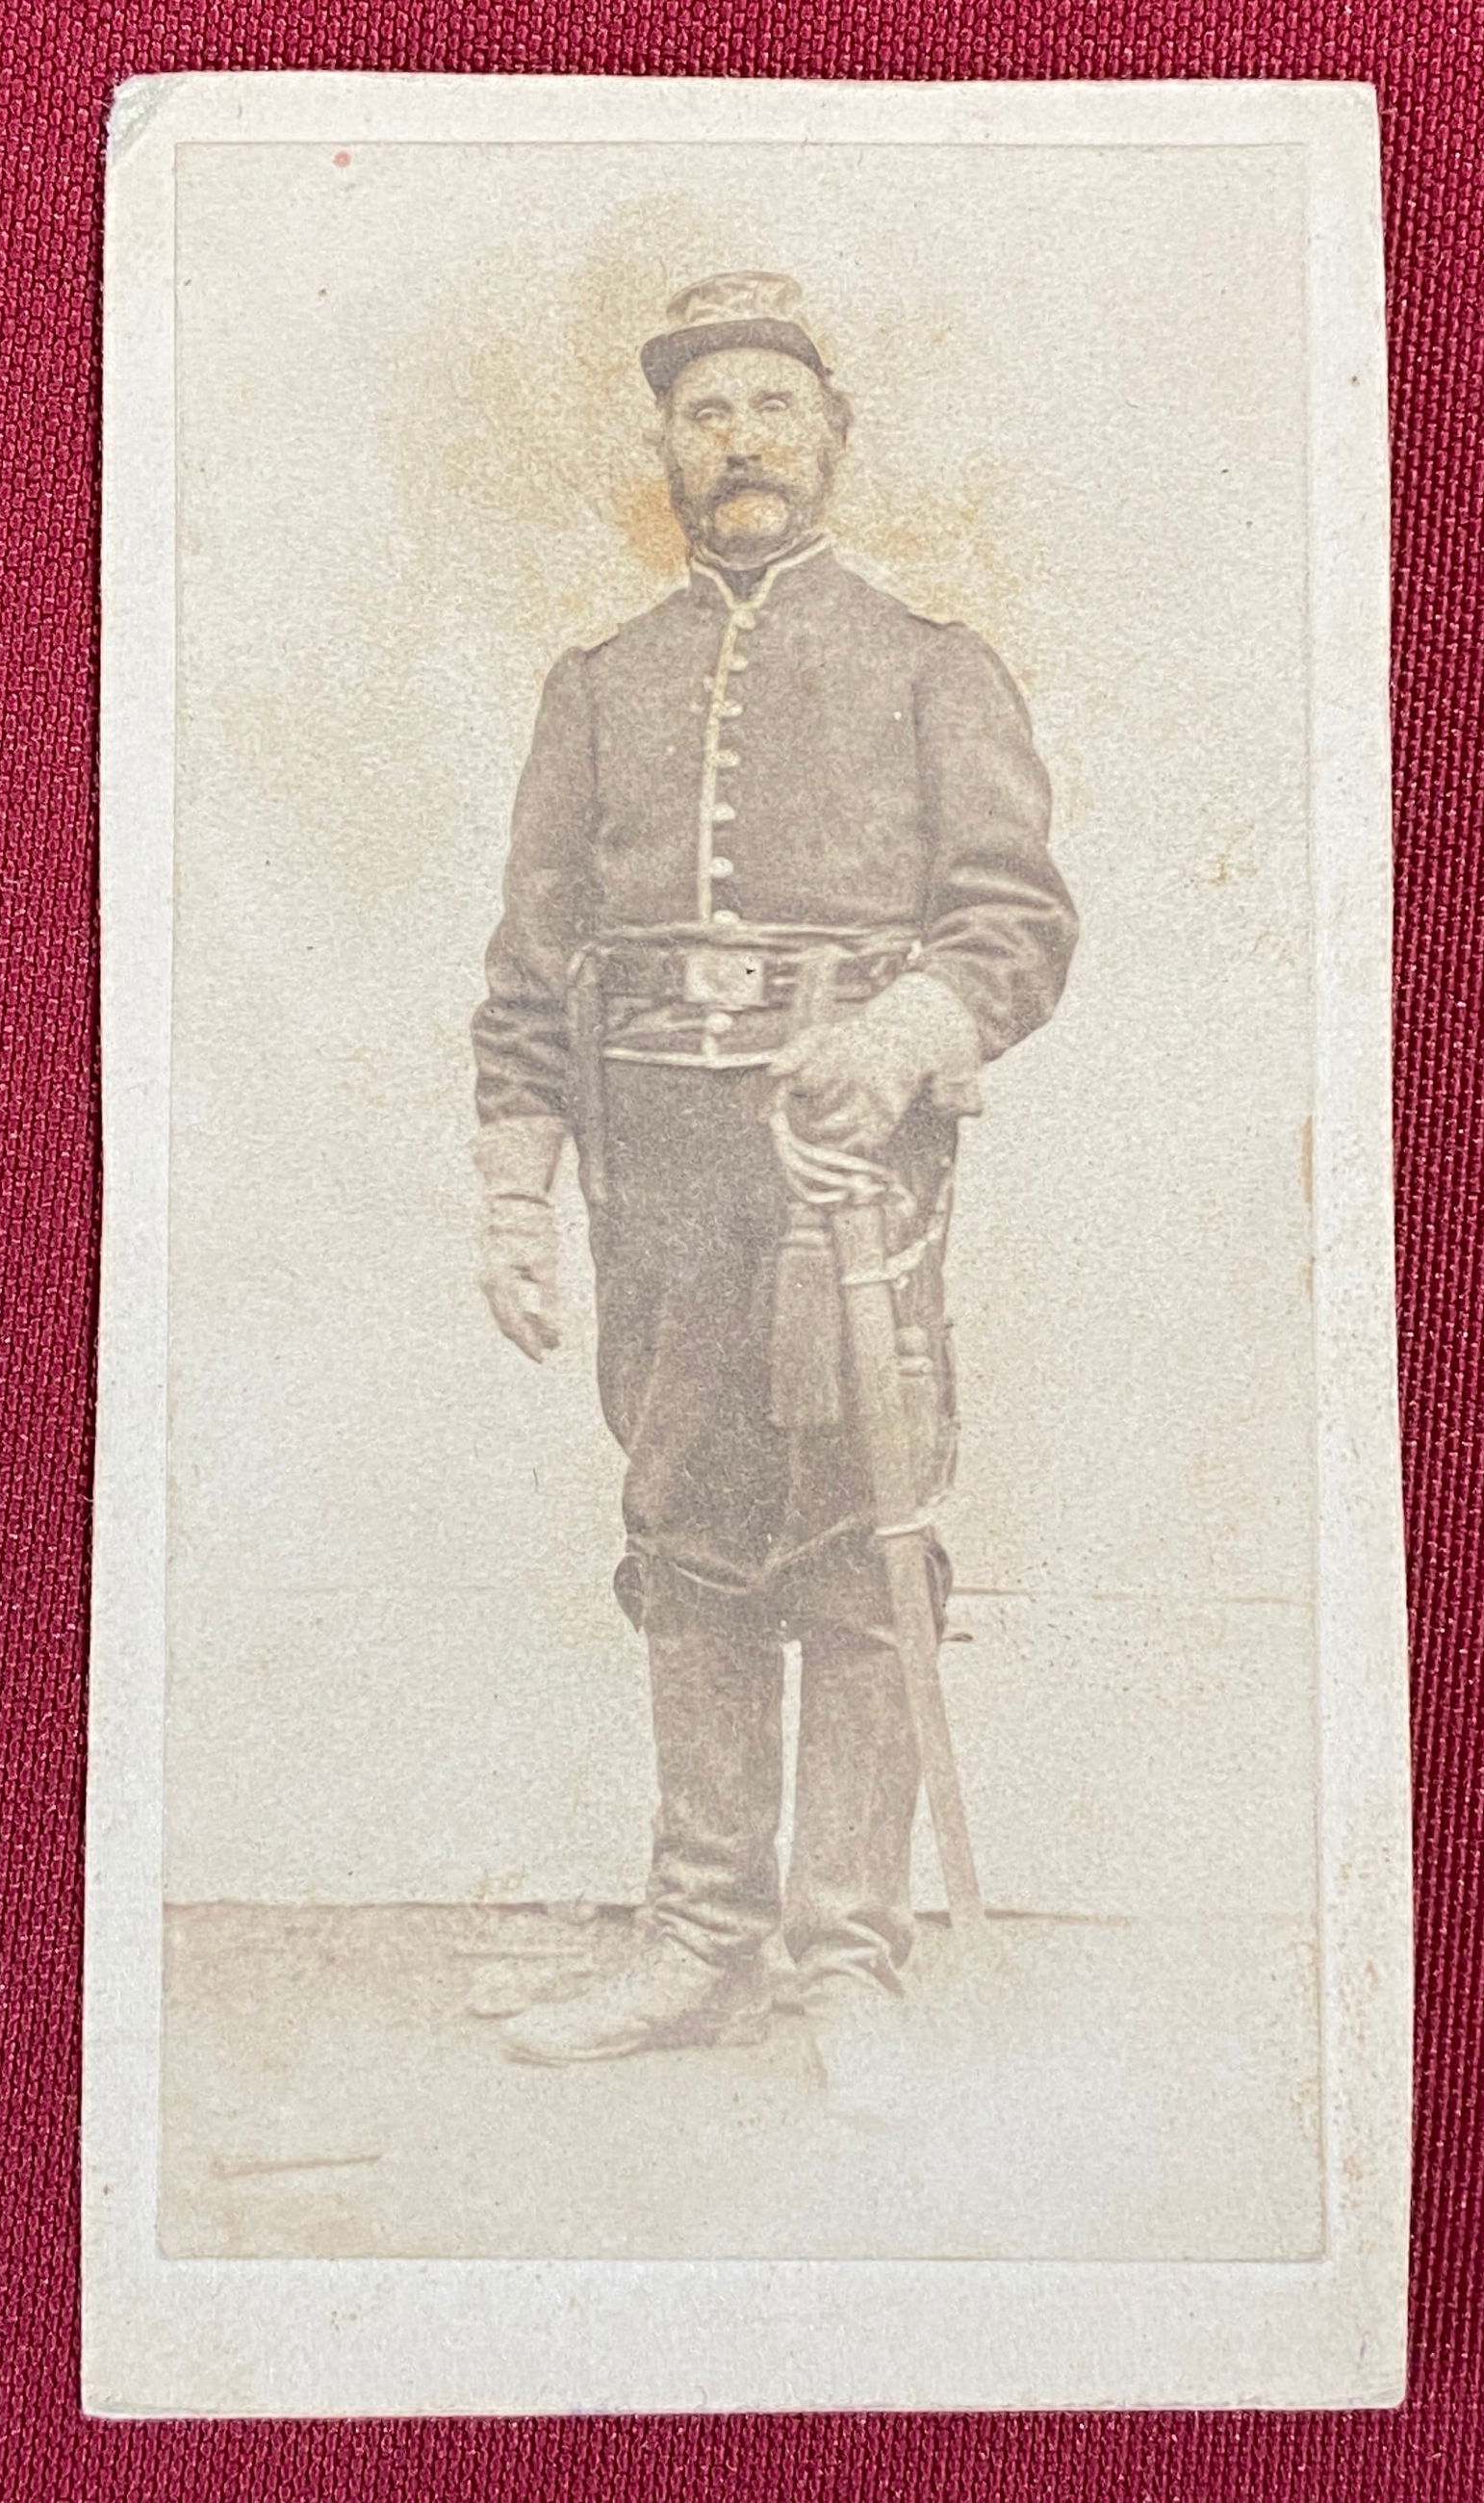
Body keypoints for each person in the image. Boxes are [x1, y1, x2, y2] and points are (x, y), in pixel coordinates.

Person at [471, 272, 1077, 2074]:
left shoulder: (928, 665)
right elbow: (529, 966)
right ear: (666, 447)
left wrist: (898, 1036)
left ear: (831, 439)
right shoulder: (597, 688)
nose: (740, 442)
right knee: (683, 1538)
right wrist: (517, 1190)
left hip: (846, 1175)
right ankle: (697, 1940)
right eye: (705, 413)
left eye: (771, 409)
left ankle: (845, 1970)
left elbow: (1014, 924)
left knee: (862, 1544)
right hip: (654, 1175)